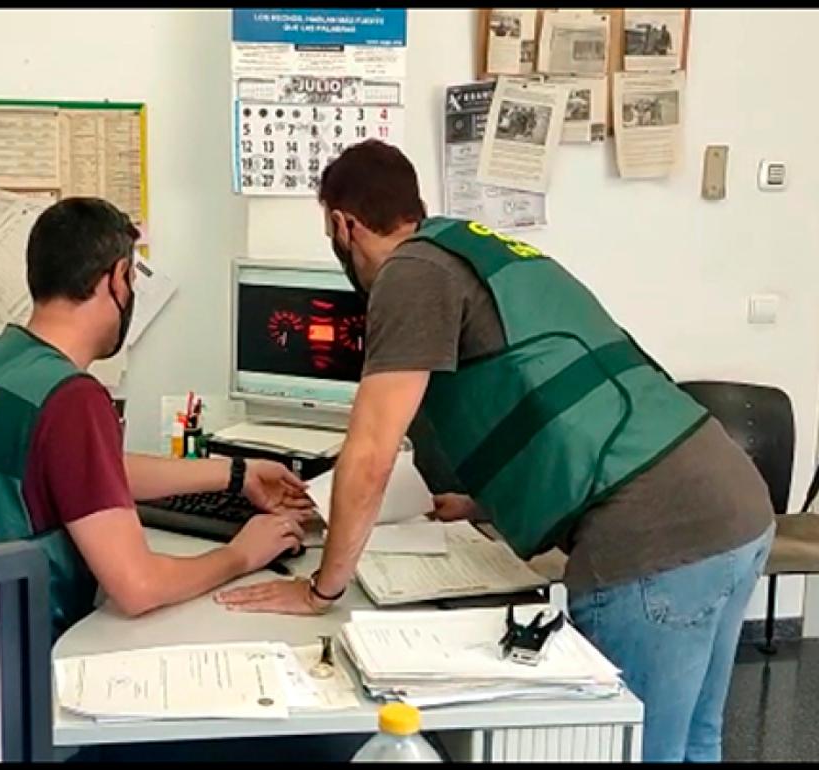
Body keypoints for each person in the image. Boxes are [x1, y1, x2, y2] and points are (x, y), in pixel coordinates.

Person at [215, 140, 774, 763]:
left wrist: (321, 590)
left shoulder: (407, 274)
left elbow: (369, 453)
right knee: (695, 741)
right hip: (734, 502)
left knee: (636, 752)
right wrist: (482, 502)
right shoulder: (475, 247)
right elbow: (560, 390)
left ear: (342, 224)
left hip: (656, 539)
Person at [0, 197, 313, 639]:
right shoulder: (70, 398)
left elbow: (82, 475)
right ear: (119, 279)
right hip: (16, 646)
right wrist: (242, 554)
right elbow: (138, 587)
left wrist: (235, 473)